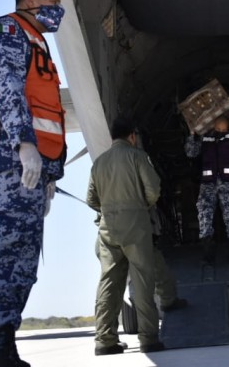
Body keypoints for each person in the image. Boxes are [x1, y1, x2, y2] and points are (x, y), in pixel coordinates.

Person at [0, 0, 67, 367]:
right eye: (53, 0)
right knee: (9, 253)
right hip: (9, 159)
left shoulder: (37, 41)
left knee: (25, 260)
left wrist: (49, 174)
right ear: (31, 1)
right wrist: (24, 145)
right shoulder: (6, 30)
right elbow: (6, 87)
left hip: (33, 169)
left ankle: (6, 346)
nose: (57, 9)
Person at [87, 117, 165, 355]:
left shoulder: (98, 163)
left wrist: (110, 209)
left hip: (108, 228)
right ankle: (148, 339)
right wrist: (140, 206)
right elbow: (153, 190)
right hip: (135, 225)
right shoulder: (137, 157)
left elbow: (91, 199)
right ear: (132, 136)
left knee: (108, 281)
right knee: (142, 281)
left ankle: (105, 341)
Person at [184, 105, 229, 263]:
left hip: (228, 185)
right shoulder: (204, 138)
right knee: (205, 216)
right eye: (219, 129)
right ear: (214, 127)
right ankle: (208, 253)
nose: (222, 132)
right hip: (208, 185)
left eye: (224, 129)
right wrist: (192, 134)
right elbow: (190, 152)